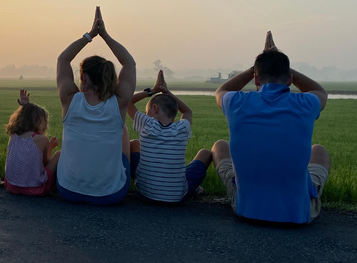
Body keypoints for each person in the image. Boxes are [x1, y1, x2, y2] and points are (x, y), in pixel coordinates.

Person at [212, 31, 331, 224]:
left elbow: (221, 91)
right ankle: (307, 199)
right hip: (296, 215)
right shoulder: (306, 102)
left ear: (256, 80)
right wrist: (283, 65)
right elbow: (320, 92)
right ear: (290, 79)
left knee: (219, 147)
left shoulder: (237, 101)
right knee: (319, 151)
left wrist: (255, 67)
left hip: (247, 211)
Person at [55, 7, 135, 205]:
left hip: (68, 190)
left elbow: (63, 59)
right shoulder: (118, 103)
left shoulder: (69, 100)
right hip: (111, 195)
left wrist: (90, 35)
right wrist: (105, 35)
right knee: (123, 130)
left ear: (82, 77)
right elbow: (129, 64)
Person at [127, 70, 211, 203]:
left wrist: (153, 91)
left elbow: (128, 102)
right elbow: (187, 111)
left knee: (133, 143)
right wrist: (168, 92)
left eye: (146, 111)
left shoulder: (148, 124)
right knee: (205, 153)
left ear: (154, 108)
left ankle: (138, 181)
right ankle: (193, 188)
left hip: (144, 194)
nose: (145, 115)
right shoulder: (181, 128)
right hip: (176, 197)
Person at [4, 89, 61, 196]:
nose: (46, 126)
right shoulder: (42, 140)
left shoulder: (13, 135)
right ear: (36, 121)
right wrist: (51, 147)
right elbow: (44, 164)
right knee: (59, 154)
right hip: (36, 189)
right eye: (44, 121)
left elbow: (25, 116)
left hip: (11, 186)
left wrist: (25, 107)